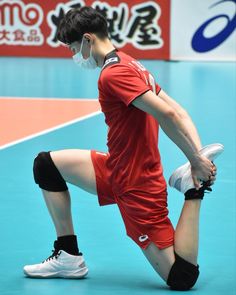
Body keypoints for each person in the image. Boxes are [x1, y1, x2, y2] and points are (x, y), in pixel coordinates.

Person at [23, 6, 223, 291]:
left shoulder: (113, 75)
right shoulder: (130, 63)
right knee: (45, 165)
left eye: (73, 47)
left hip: (136, 185)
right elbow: (178, 109)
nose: (73, 55)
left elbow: (169, 115)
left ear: (88, 40)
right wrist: (199, 155)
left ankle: (193, 190)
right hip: (115, 167)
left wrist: (195, 162)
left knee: (181, 277)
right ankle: (68, 255)